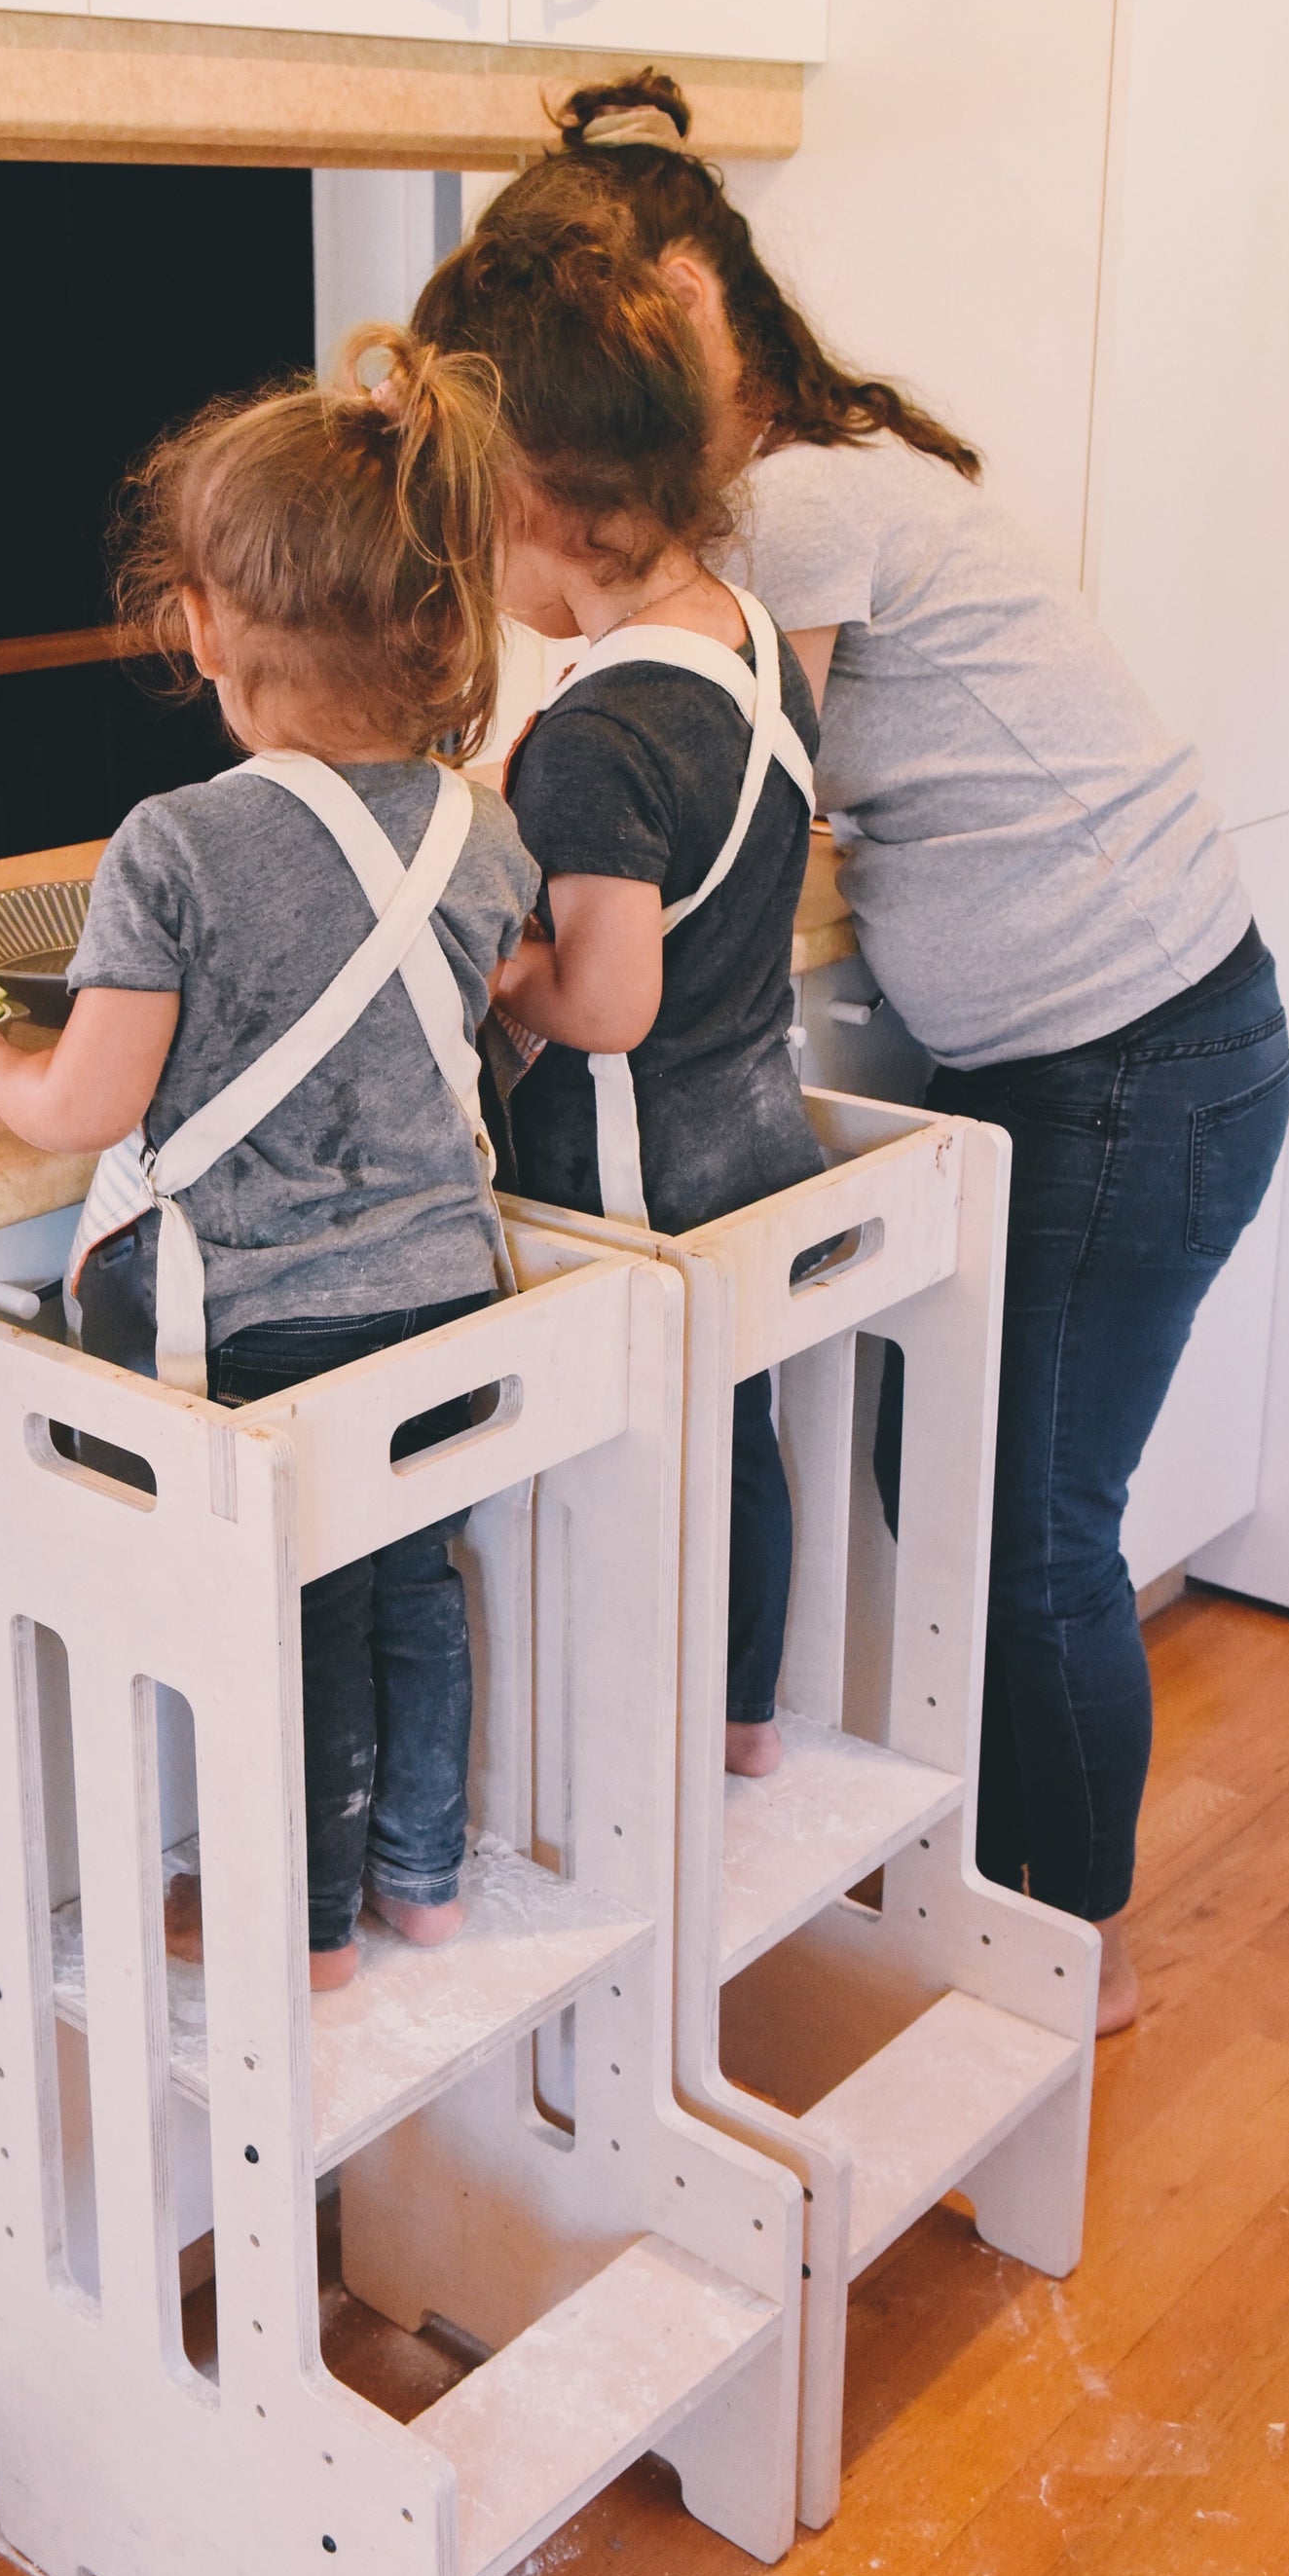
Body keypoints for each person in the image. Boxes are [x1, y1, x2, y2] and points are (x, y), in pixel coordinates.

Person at [464, 71, 1289, 2035]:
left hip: (1129, 1053)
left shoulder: (796, 509)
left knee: (1027, 1526)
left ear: (679, 302)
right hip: (1129, 1030)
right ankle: (1010, 1913)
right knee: (989, 1503)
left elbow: (723, 759)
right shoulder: (793, 483)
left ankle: (1056, 1954)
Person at [0, 338, 540, 1991]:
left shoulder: (175, 846)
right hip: (454, 1300)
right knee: (416, 1578)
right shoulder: (487, 830)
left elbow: (89, 1107)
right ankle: (423, 1884)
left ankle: (307, 1935)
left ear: (197, 621)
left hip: (261, 1328)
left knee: (300, 1617)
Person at [413, 220, 827, 1781]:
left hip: (627, 1178)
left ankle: (617, 1752)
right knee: (740, 1450)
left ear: (525, 500)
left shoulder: (600, 732)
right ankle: (738, 1727)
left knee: (636, 1477)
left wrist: (491, 939)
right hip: (752, 1144)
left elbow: (604, 1005)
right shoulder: (744, 639)